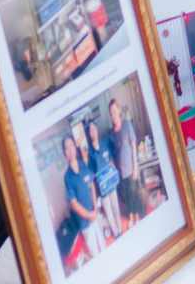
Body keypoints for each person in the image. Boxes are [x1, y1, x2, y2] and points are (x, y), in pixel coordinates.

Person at [61, 132, 102, 260]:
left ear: (75, 147)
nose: (70, 150)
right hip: (85, 223)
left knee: (102, 243)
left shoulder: (83, 164)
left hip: (94, 213)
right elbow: (74, 204)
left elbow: (92, 187)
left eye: (71, 146)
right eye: (66, 148)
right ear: (64, 153)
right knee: (95, 253)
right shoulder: (67, 177)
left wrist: (95, 209)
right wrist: (90, 215)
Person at [85, 115, 121, 243]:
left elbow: (111, 160)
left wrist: (114, 171)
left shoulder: (105, 143)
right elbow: (90, 171)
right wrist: (95, 178)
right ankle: (116, 232)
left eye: (94, 129)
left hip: (111, 182)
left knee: (116, 206)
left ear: (97, 130)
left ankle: (120, 229)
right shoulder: (89, 153)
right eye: (90, 130)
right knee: (108, 210)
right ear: (89, 134)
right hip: (102, 187)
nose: (93, 132)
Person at [108, 94, 142, 229]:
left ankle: (137, 217)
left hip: (131, 169)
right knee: (126, 197)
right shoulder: (111, 134)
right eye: (111, 113)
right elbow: (113, 155)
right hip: (120, 173)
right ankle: (131, 217)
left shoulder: (127, 124)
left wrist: (136, 168)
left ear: (119, 111)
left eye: (115, 111)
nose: (114, 115)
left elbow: (133, 145)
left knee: (134, 195)